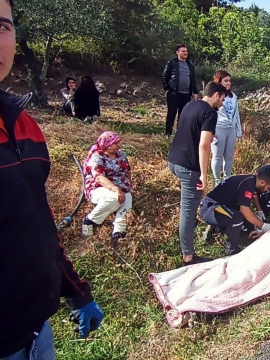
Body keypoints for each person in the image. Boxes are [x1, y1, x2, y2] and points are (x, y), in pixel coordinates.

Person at [0, 0, 104, 357]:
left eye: (3, 26)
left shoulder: (26, 128)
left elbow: (39, 225)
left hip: (37, 333)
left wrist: (76, 290)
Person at [167, 81, 226, 267]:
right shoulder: (210, 113)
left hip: (174, 160)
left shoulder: (190, 105)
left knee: (189, 207)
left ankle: (188, 245)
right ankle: (188, 258)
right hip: (189, 167)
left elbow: (189, 130)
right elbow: (204, 145)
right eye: (222, 99)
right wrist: (203, 174)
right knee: (187, 212)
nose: (222, 104)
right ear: (216, 95)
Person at [200, 168, 270, 256]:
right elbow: (244, 210)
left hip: (225, 209)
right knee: (237, 219)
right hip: (210, 209)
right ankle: (232, 250)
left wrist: (256, 226)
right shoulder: (248, 184)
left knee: (248, 227)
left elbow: (245, 207)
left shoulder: (250, 180)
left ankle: (219, 228)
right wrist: (263, 225)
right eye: (268, 188)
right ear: (262, 183)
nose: (267, 190)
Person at [81, 131, 133, 244]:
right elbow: (98, 177)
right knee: (114, 198)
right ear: (107, 145)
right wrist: (115, 189)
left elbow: (128, 170)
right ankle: (90, 220)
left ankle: (118, 231)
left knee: (127, 204)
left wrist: (129, 185)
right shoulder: (97, 156)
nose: (118, 145)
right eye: (116, 143)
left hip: (122, 186)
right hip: (100, 187)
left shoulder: (121, 154)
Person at [211, 70, 242, 185]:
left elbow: (237, 114)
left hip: (231, 129)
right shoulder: (214, 96)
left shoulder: (233, 96)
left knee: (229, 156)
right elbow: (210, 113)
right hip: (219, 128)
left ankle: (227, 179)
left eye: (229, 81)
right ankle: (217, 181)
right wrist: (211, 131)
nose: (229, 83)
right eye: (226, 81)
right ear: (219, 81)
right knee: (217, 156)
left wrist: (238, 131)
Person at [163, 44, 199, 137]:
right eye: (183, 51)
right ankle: (168, 134)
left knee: (183, 115)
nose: (185, 53)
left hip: (186, 95)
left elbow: (193, 80)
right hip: (174, 93)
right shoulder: (172, 63)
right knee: (172, 113)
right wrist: (167, 88)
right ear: (177, 52)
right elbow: (164, 76)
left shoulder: (190, 65)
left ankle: (180, 135)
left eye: (186, 51)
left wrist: (195, 92)